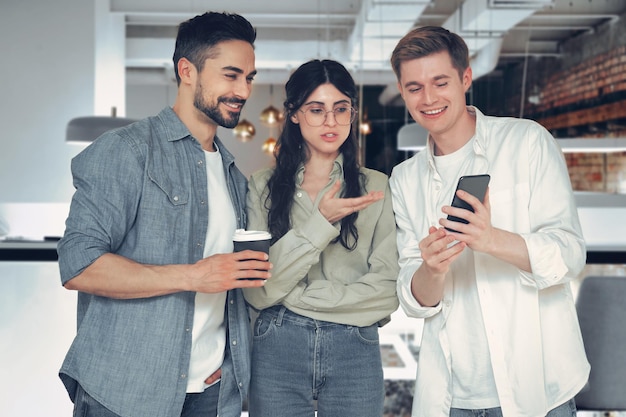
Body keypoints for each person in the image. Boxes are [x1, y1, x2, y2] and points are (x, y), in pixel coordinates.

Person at [57, 12, 271, 417]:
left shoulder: (235, 178)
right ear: (187, 71)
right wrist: (193, 275)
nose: (243, 90)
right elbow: (77, 265)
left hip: (212, 396)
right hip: (126, 393)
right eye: (231, 75)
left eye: (250, 77)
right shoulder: (126, 151)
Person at [388, 26, 590, 417]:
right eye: (414, 87)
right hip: (451, 397)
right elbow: (417, 301)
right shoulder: (405, 179)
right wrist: (432, 269)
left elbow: (570, 255)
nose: (428, 99)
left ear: (465, 78)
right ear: (402, 91)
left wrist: (491, 239)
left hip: (538, 386)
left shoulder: (527, 142)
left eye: (440, 82)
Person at [243, 59, 399, 417]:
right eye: (317, 109)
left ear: (351, 113)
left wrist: (299, 296)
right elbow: (256, 291)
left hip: (354, 347)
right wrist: (321, 221)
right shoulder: (261, 187)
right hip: (277, 349)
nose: (330, 122)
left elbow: (388, 290)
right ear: (295, 114)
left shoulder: (377, 186)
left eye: (340, 109)